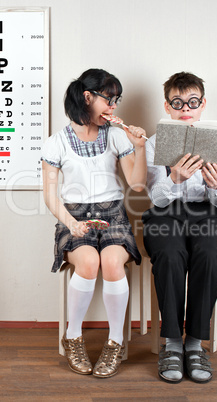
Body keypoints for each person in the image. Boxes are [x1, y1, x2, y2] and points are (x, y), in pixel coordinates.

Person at [41, 68, 147, 378]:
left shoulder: (116, 135)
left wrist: (139, 147)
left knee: (112, 263)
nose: (113, 108)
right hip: (72, 218)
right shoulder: (56, 143)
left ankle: (115, 343)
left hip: (113, 215)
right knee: (88, 263)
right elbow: (50, 196)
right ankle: (73, 336)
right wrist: (71, 224)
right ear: (87, 97)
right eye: (109, 100)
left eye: (116, 101)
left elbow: (138, 185)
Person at [142, 72, 217, 384]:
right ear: (167, 107)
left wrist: (214, 186)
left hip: (205, 214)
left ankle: (194, 343)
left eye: (192, 102)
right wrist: (174, 179)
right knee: (169, 254)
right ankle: (172, 343)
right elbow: (154, 198)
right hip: (165, 215)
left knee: (210, 254)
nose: (186, 108)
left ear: (202, 104)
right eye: (178, 102)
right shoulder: (154, 143)